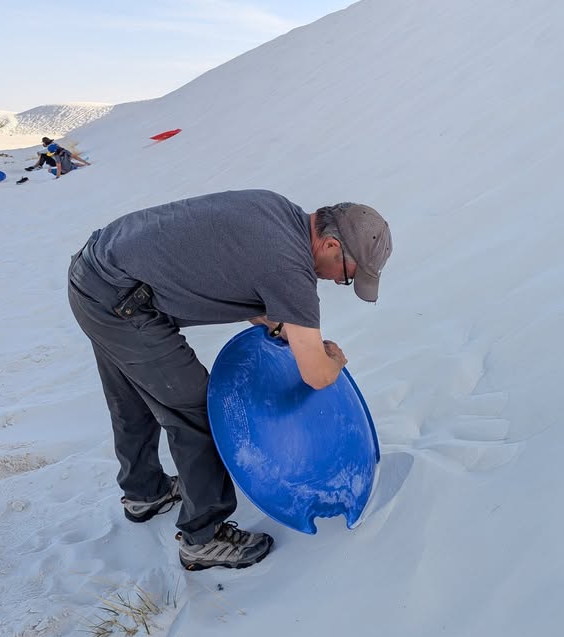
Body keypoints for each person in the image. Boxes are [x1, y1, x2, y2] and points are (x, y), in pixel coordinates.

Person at [67, 190, 393, 571]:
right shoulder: (291, 269)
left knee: (133, 395)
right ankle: (202, 537)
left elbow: (230, 272)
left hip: (94, 276)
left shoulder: (277, 211)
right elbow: (317, 376)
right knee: (196, 411)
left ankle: (145, 493)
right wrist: (333, 360)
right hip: (122, 302)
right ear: (332, 244)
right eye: (345, 277)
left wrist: (277, 322)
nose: (337, 282)